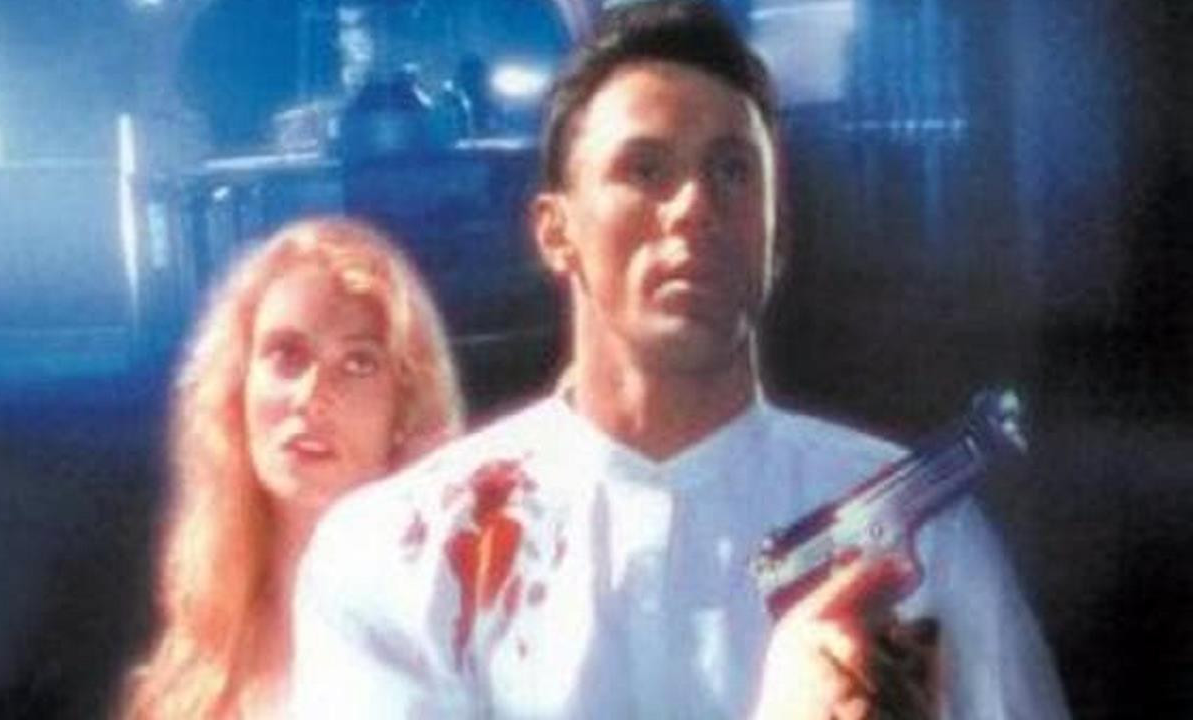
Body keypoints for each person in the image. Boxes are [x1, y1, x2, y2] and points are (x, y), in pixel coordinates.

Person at [290, 3, 1070, 718]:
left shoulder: (927, 546)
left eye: (732, 170)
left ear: (775, 231)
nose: (695, 206)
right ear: (556, 231)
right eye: (645, 169)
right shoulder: (403, 555)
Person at [123, 217, 463, 718]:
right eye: (287, 355)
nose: (311, 396)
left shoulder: (455, 631)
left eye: (358, 363)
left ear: (403, 410)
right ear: (238, 388)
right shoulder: (202, 641)